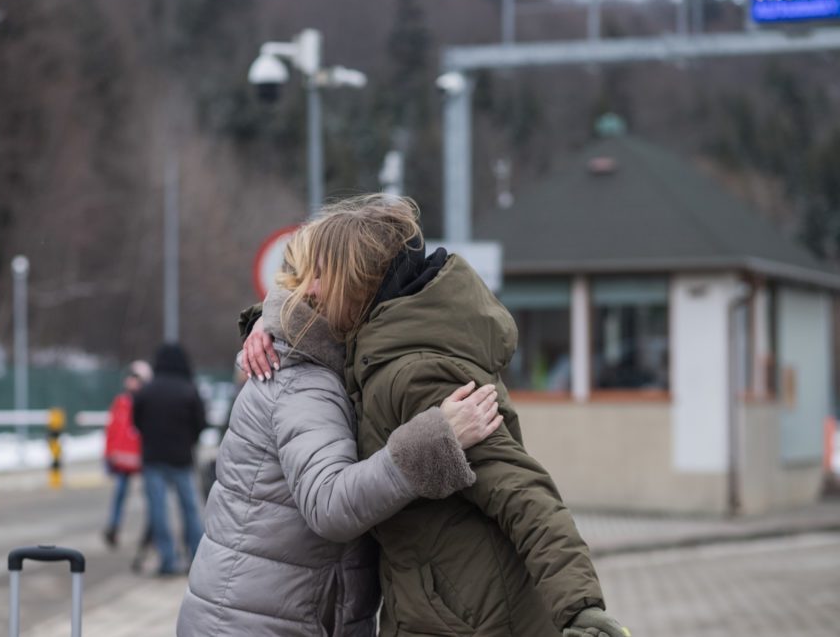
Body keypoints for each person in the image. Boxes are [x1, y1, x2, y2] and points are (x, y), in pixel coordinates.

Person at [240, 194, 630, 637]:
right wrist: (267, 323)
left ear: (359, 280)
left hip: (477, 618)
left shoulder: (415, 372)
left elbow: (522, 491)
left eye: (320, 276)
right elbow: (318, 330)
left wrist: (582, 612)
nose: (307, 290)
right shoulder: (377, 349)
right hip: (432, 609)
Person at [176, 224, 504, 636]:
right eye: (308, 276)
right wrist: (438, 440)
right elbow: (330, 503)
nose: (310, 288)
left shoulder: (323, 364)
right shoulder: (306, 382)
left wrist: (269, 320)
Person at [132, 343, 207, 576]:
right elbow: (201, 423)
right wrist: (188, 441)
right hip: (182, 458)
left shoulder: (148, 390)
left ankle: (167, 559)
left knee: (158, 510)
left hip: (153, 457)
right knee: (190, 510)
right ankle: (196, 556)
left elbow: (136, 420)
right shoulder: (189, 389)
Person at [102, 360, 152, 549]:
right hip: (122, 461)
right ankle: (113, 527)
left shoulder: (146, 402)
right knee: (120, 495)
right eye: (130, 378)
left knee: (150, 496)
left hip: (142, 459)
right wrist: (108, 454)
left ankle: (150, 532)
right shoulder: (121, 402)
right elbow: (112, 429)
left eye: (136, 379)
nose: (132, 382)